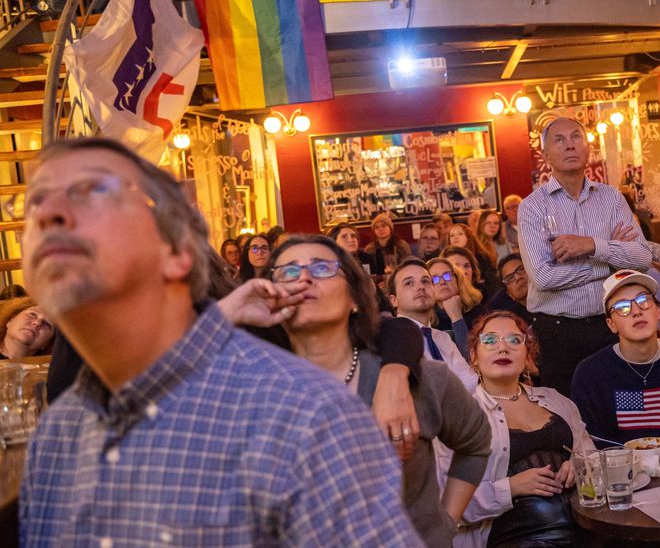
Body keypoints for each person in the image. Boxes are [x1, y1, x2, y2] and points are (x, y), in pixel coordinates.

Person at [18, 137, 421, 545]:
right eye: (32, 202)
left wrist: (394, 371)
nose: (47, 213)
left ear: (177, 250)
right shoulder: (58, 432)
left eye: (92, 190)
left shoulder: (305, 417)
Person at [266, 235, 491, 547]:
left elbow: (476, 442)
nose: (303, 277)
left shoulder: (422, 378)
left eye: (322, 268)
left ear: (354, 298)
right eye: (288, 272)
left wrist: (443, 524)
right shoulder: (255, 387)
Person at [519, 117, 653, 397]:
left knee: (618, 406)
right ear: (545, 155)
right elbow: (543, 277)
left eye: (576, 137)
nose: (570, 145)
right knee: (566, 413)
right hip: (557, 332)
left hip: (610, 325)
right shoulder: (532, 207)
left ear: (587, 147)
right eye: (559, 139)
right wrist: (609, 262)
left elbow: (642, 257)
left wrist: (591, 245)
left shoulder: (611, 198)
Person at [457, 312, 592, 546]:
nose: (503, 348)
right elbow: (448, 503)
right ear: (474, 356)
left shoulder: (556, 400)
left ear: (527, 355)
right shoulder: (461, 415)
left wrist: (580, 465)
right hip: (515, 537)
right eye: (490, 340)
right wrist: (511, 487)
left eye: (514, 340)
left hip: (586, 525)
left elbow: (594, 457)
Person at [571, 269, 660, 446]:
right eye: (622, 307)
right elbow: (592, 446)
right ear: (611, 324)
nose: (636, 311)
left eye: (644, 300)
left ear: (659, 311)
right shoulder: (590, 375)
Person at [388, 257, 478, 391]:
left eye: (426, 281)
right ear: (393, 300)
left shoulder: (443, 339)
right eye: (409, 283)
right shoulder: (391, 340)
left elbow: (471, 383)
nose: (420, 287)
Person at [427, 256, 485, 357]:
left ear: (457, 279)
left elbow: (471, 357)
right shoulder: (427, 320)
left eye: (447, 276)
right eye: (435, 279)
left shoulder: (478, 312)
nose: (442, 282)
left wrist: (456, 317)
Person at [449, 222, 500, 292]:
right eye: (452, 235)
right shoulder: (447, 259)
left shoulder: (481, 258)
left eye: (460, 234)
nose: (455, 238)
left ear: (468, 237)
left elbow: (490, 281)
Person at [364, 211, 411, 277]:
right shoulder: (369, 249)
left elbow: (408, 265)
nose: (380, 229)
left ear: (390, 228)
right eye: (377, 227)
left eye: (383, 226)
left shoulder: (401, 245)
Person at [487, 253, 531, 321]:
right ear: (509, 294)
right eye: (510, 278)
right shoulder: (512, 321)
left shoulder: (551, 300)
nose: (517, 277)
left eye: (520, 270)